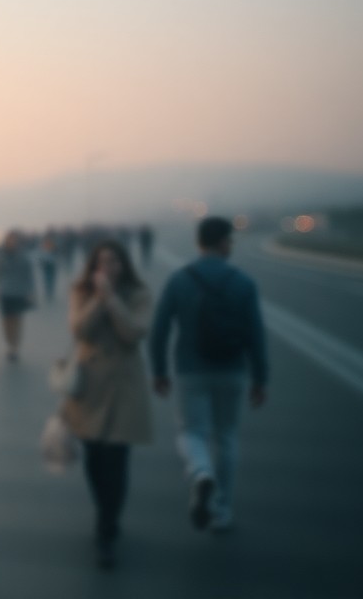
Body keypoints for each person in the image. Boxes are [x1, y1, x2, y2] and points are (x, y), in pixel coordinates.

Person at [149, 216, 268, 534]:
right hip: (232, 371)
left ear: (199, 242)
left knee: (191, 433)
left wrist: (159, 371)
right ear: (221, 242)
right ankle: (222, 510)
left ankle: (201, 473)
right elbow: (256, 335)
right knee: (227, 438)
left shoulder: (179, 280)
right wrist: (260, 378)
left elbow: (159, 330)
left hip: (190, 371)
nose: (231, 245)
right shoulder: (244, 283)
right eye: (230, 240)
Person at [61, 240, 153, 569]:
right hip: (90, 387)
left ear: (124, 264)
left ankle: (106, 529)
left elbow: (134, 332)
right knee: (95, 457)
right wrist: (99, 299)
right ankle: (106, 511)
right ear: (93, 265)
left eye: (114, 261)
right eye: (102, 261)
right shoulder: (81, 291)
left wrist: (113, 299)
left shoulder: (139, 293)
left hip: (123, 386)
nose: (108, 267)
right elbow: (79, 330)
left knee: (116, 456)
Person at [0, 230, 36, 361]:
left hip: (19, 292)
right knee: (6, 321)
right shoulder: (0, 255)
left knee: (17, 320)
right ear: (5, 241)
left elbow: (29, 274)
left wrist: (31, 291)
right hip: (5, 292)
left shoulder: (23, 256)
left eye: (14, 240)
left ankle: (14, 346)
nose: (12, 242)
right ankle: (9, 342)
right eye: (9, 240)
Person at [38, 235, 59, 303]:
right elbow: (40, 259)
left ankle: (50, 293)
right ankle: (48, 294)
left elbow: (57, 258)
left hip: (52, 267)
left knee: (51, 281)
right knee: (47, 281)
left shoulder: (54, 249)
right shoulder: (42, 250)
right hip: (46, 267)